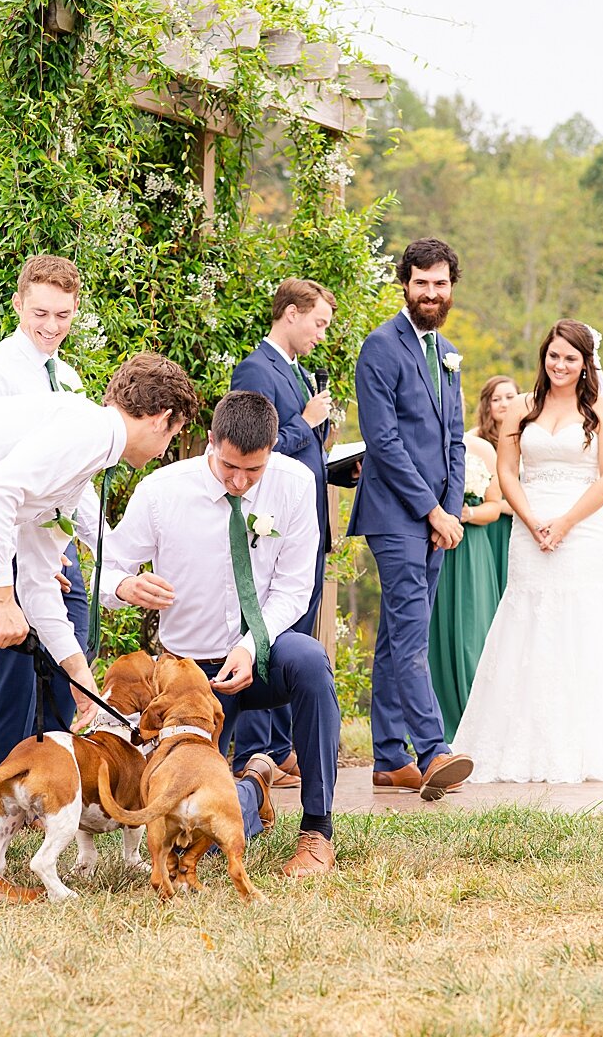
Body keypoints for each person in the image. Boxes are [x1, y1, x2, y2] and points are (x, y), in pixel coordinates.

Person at [0, 351, 198, 901]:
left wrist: (80, 676)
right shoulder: (90, 431)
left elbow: (43, 580)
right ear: (162, 417)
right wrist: (1, 600)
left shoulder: (81, 450)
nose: (166, 449)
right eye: (175, 435)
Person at [98, 390, 342, 877]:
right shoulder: (162, 491)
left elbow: (296, 588)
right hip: (191, 678)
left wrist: (251, 646)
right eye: (229, 466)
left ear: (273, 450)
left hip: (262, 655)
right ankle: (253, 786)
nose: (239, 480)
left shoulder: (296, 484)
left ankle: (317, 831)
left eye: (253, 471)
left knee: (312, 662)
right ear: (211, 441)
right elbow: (103, 571)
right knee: (197, 835)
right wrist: (125, 584)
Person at [451, 319, 603, 782]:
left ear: (586, 364)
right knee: (525, 616)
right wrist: (531, 521)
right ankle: (514, 739)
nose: (560, 365)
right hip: (529, 524)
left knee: (578, 619)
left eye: (571, 358)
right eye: (554, 355)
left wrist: (566, 523)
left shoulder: (602, 410)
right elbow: (507, 471)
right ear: (544, 356)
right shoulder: (521, 409)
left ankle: (581, 742)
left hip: (581, 527)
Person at [0, 254, 98, 830]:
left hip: (55, 544)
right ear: (18, 305)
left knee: (68, 677)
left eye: (63, 314)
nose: (51, 325)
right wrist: (19, 562)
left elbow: (72, 478)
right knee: (11, 681)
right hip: (2, 550)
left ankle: (53, 807)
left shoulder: (67, 379)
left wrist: (72, 551)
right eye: (40, 312)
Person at [350, 237, 473, 798]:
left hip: (435, 518)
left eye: (440, 283)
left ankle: (388, 756)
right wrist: (428, 508)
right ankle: (433, 750)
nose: (431, 292)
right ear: (405, 283)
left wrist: (449, 510)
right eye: (421, 282)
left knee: (399, 636)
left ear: (451, 287)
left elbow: (454, 439)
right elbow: (383, 441)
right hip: (394, 514)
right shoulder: (381, 347)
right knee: (412, 630)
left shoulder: (447, 354)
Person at [228, 277, 337, 788]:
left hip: (302, 521)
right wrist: (306, 421)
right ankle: (256, 749)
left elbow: (298, 447)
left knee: (295, 630)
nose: (320, 335)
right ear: (290, 313)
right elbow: (253, 445)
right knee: (264, 625)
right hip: (266, 526)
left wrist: (329, 456)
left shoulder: (297, 372)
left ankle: (282, 745)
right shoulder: (256, 367)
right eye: (317, 323)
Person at [427, 430, 504, 740]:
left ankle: (481, 716)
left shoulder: (482, 449)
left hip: (472, 549)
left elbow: (495, 507)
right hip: (435, 545)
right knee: (437, 628)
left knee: (476, 631)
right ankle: (437, 714)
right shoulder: (426, 441)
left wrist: (467, 513)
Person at [469, 374, 519, 594]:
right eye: (496, 399)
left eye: (510, 397)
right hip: (487, 524)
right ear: (487, 404)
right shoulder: (474, 440)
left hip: (520, 526)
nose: (504, 404)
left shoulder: (528, 437)